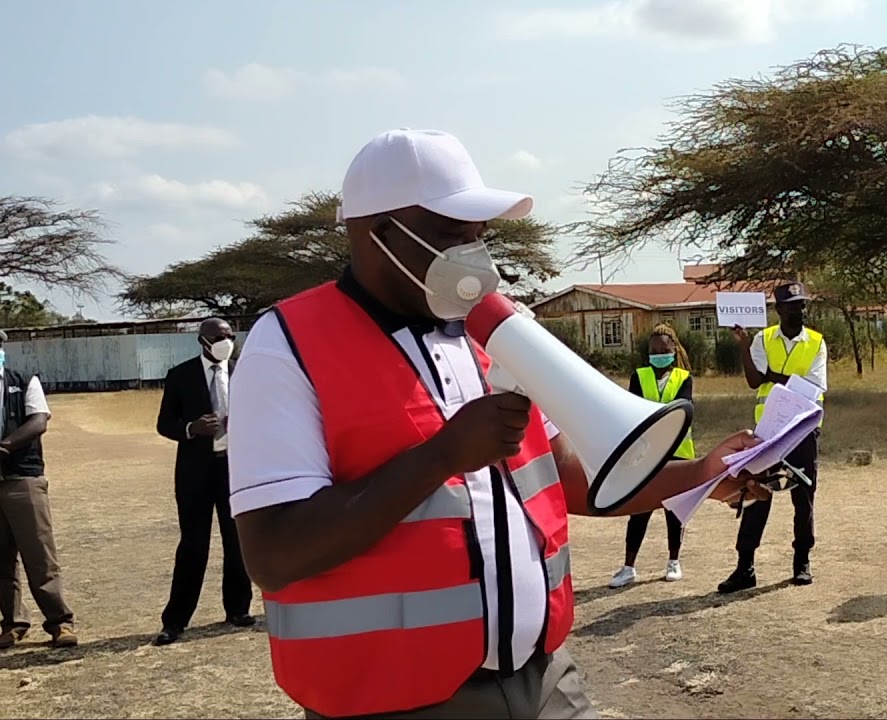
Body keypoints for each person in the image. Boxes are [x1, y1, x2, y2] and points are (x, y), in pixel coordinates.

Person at [226, 128, 765, 719]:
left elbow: (570, 479)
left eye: (479, 236)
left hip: (544, 678)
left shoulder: (491, 332)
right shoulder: (288, 345)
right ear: (380, 234)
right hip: (390, 700)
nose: (475, 255)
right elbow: (274, 553)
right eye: (452, 236)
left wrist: (702, 475)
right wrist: (441, 457)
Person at [718, 282, 827, 594]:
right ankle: (745, 568)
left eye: (802, 305)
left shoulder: (817, 342)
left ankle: (802, 562)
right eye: (792, 305)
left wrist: (773, 375)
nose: (799, 310)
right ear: (779, 309)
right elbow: (754, 380)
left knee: (803, 497)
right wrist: (743, 347)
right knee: (754, 496)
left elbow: (815, 386)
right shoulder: (761, 339)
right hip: (766, 431)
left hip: (803, 430)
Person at [153, 318, 254, 646]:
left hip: (235, 469)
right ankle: (176, 620)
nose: (225, 341)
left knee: (236, 541)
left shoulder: (244, 371)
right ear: (202, 341)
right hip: (196, 471)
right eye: (217, 337)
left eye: (229, 336)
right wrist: (191, 428)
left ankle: (238, 609)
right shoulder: (180, 375)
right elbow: (164, 423)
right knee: (194, 545)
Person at [0, 330, 78, 649]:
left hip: (22, 478)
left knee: (39, 554)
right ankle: (13, 622)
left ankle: (60, 622)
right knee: (1, 559)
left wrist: (4, 446)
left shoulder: (23, 380)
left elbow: (38, 421)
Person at [609, 325, 695, 588]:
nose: (659, 354)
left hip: (678, 453)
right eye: (654, 350)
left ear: (673, 350)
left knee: (674, 509)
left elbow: (684, 408)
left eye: (663, 349)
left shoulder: (684, 377)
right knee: (640, 509)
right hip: (645, 453)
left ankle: (673, 561)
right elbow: (633, 409)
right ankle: (628, 567)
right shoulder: (639, 375)